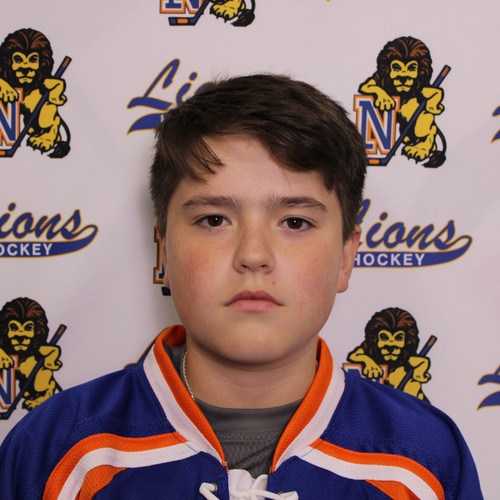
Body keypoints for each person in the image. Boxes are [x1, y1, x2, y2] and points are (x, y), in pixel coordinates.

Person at [0, 74, 482, 499]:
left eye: (295, 222)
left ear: (346, 256)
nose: (253, 254)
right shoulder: (55, 450)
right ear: (163, 253)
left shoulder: (423, 459)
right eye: (214, 219)